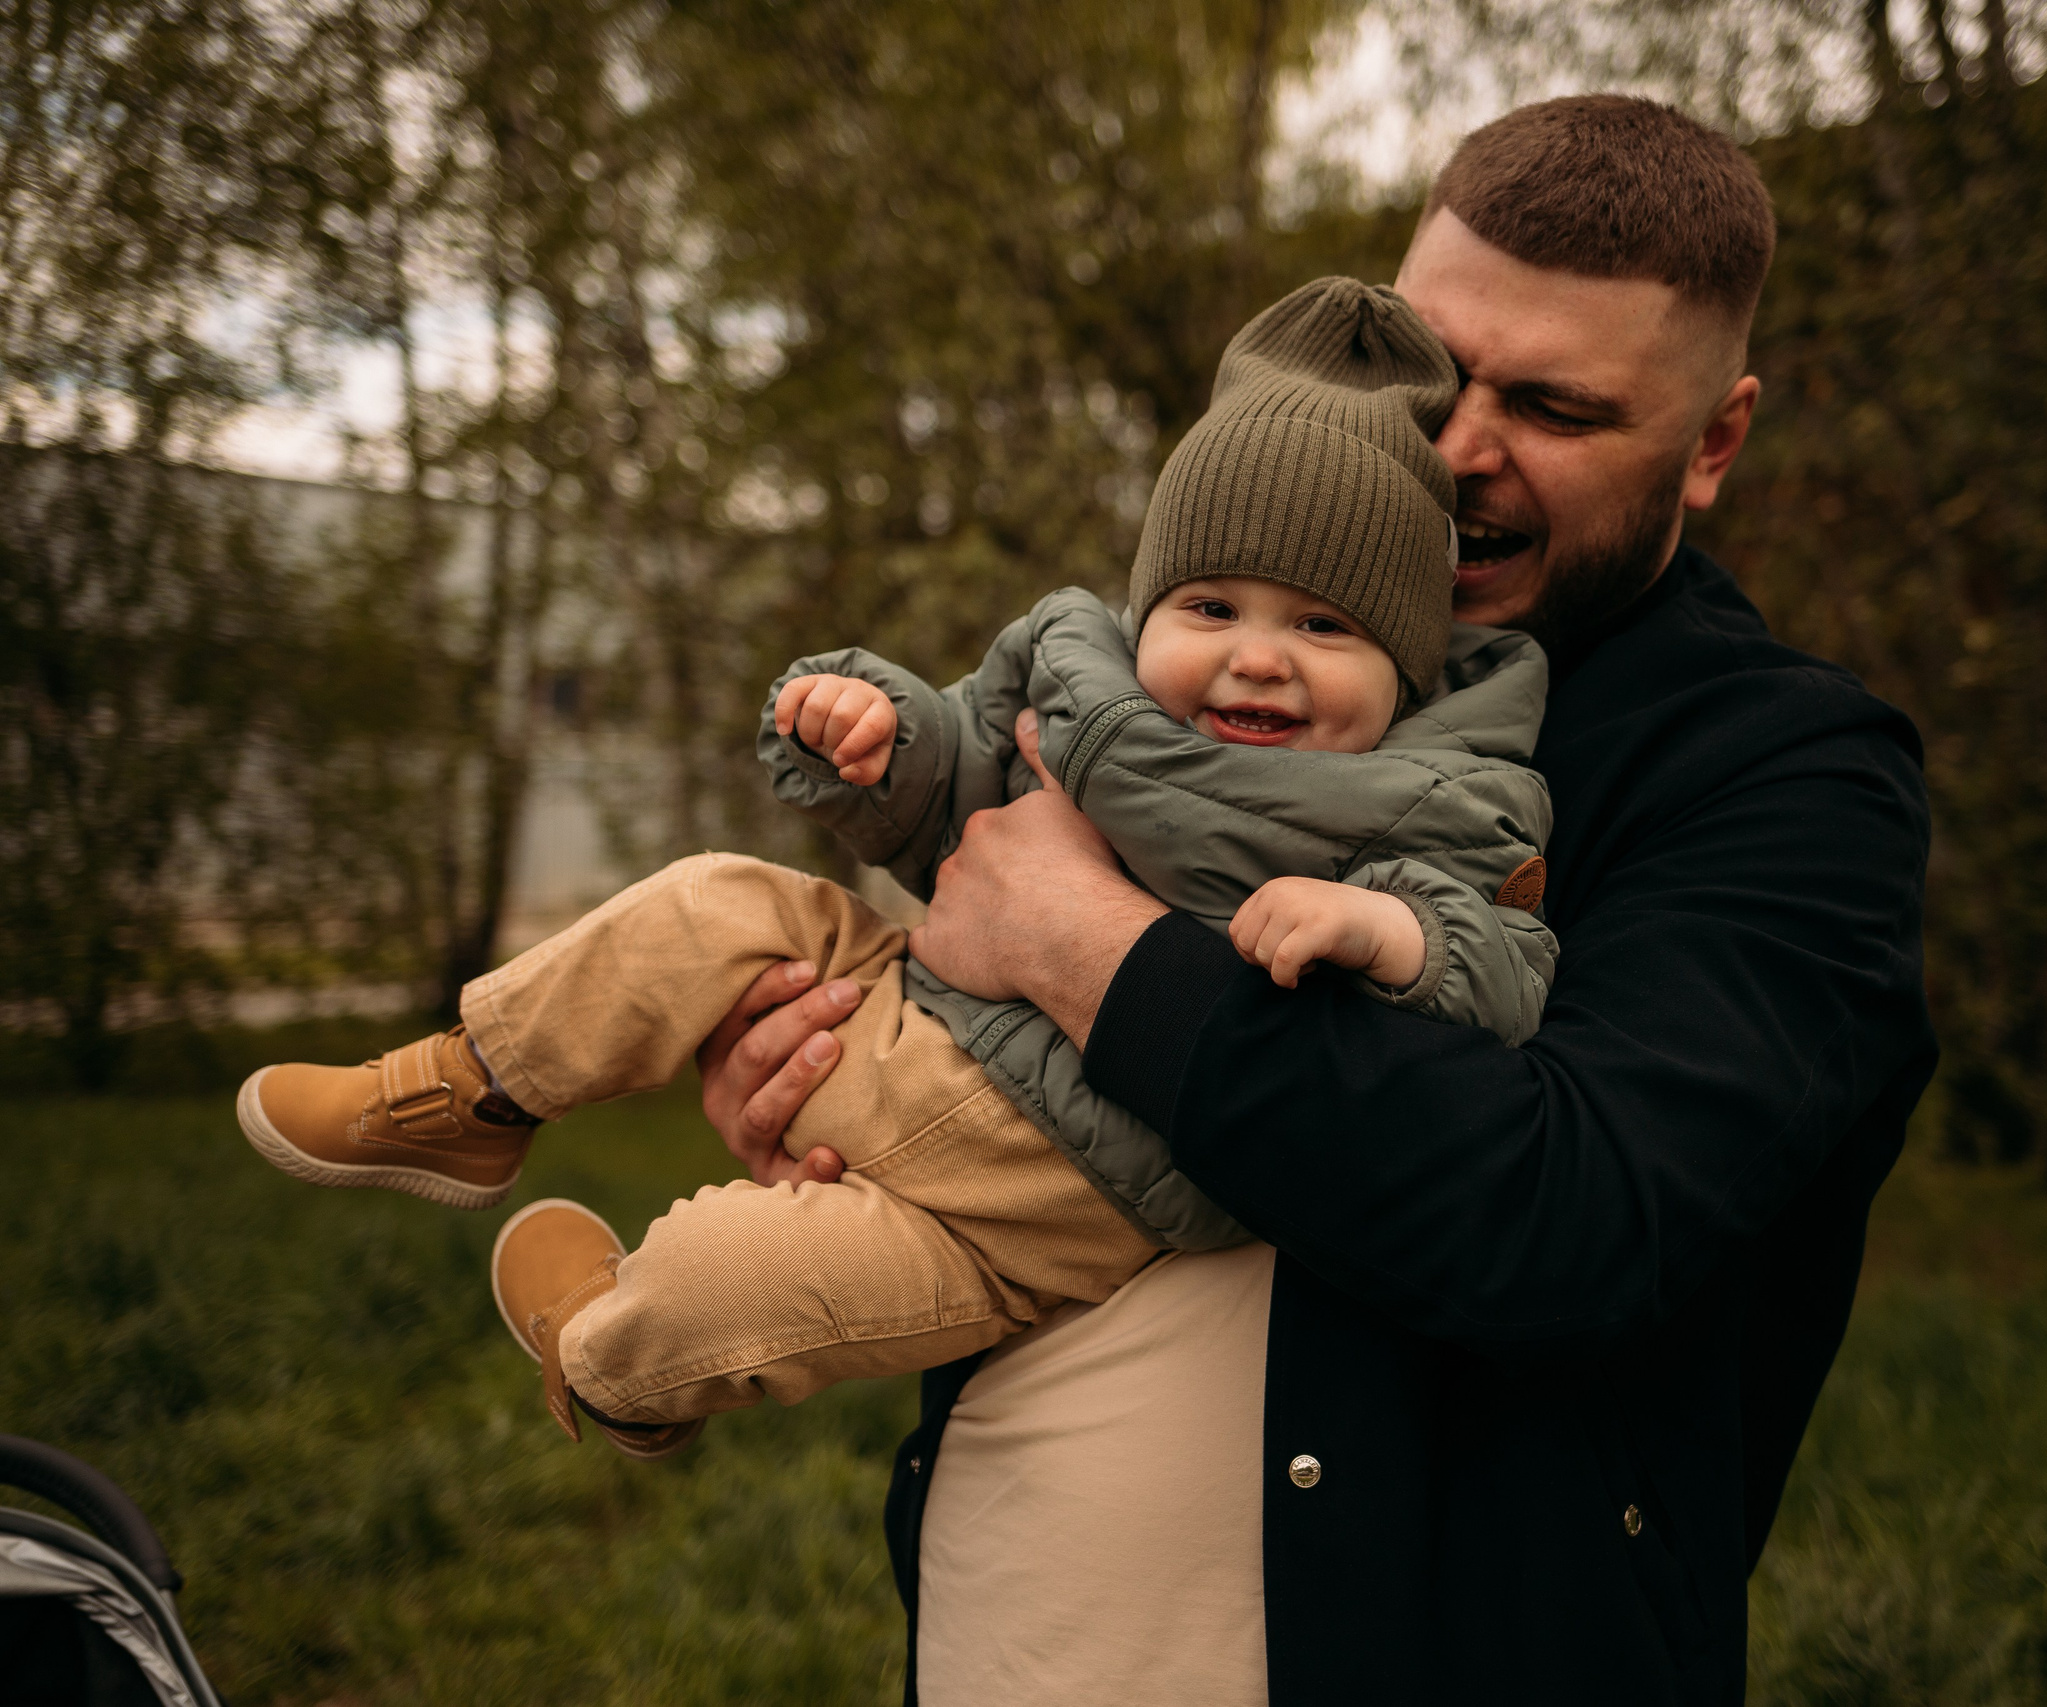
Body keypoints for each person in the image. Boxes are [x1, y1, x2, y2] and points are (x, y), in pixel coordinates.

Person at [699, 95, 1937, 1705]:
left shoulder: (1791, 777)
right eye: (1440, 368)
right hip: (1021, 1630)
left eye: (1555, 406)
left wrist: (1092, 954)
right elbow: (964, 924)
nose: (1460, 449)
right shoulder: (1229, 659)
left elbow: (1569, 1214)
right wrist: (835, 1076)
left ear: (1713, 444)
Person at [230, 279, 1558, 1458]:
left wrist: (1385, 934)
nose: (1256, 657)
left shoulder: (1428, 799)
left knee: (713, 1285)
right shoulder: (1079, 678)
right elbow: (962, 774)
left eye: (1322, 626)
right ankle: (466, 1092)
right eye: (1210, 607)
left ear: (1406, 666)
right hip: (902, 1005)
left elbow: (1503, 966)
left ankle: (606, 1361)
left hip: (1041, 1209)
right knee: (709, 901)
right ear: (1149, 606)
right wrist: (880, 737)